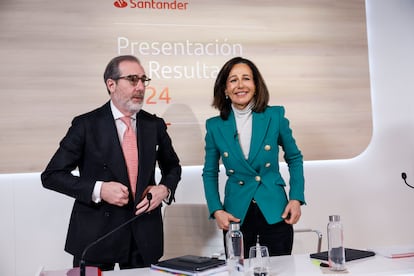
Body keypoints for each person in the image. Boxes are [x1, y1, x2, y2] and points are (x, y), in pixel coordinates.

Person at [41, 55, 181, 270]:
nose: (141, 87)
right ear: (111, 84)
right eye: (133, 79)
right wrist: (99, 189)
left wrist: (165, 189)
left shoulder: (154, 125)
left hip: (143, 234)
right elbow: (52, 175)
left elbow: (173, 167)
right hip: (95, 236)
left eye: (144, 80)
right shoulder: (85, 125)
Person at [202, 57, 305, 257]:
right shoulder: (214, 126)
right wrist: (216, 209)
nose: (240, 85)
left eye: (246, 78)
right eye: (233, 80)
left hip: (275, 208)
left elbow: (294, 158)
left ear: (256, 86)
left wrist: (296, 198)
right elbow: (209, 172)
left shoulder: (275, 116)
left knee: (280, 271)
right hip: (235, 212)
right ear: (225, 89)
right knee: (238, 270)